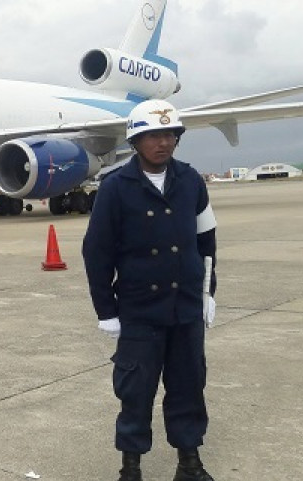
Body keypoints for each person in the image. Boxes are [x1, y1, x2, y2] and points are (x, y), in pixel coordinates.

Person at [82, 99, 218, 481]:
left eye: (171, 134)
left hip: (186, 307)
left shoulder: (190, 180)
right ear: (136, 139)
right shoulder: (115, 187)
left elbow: (206, 239)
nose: (164, 143)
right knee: (135, 392)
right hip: (140, 311)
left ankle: (189, 464)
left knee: (189, 387)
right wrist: (105, 310)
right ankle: (131, 468)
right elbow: (96, 251)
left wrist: (209, 291)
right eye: (154, 135)